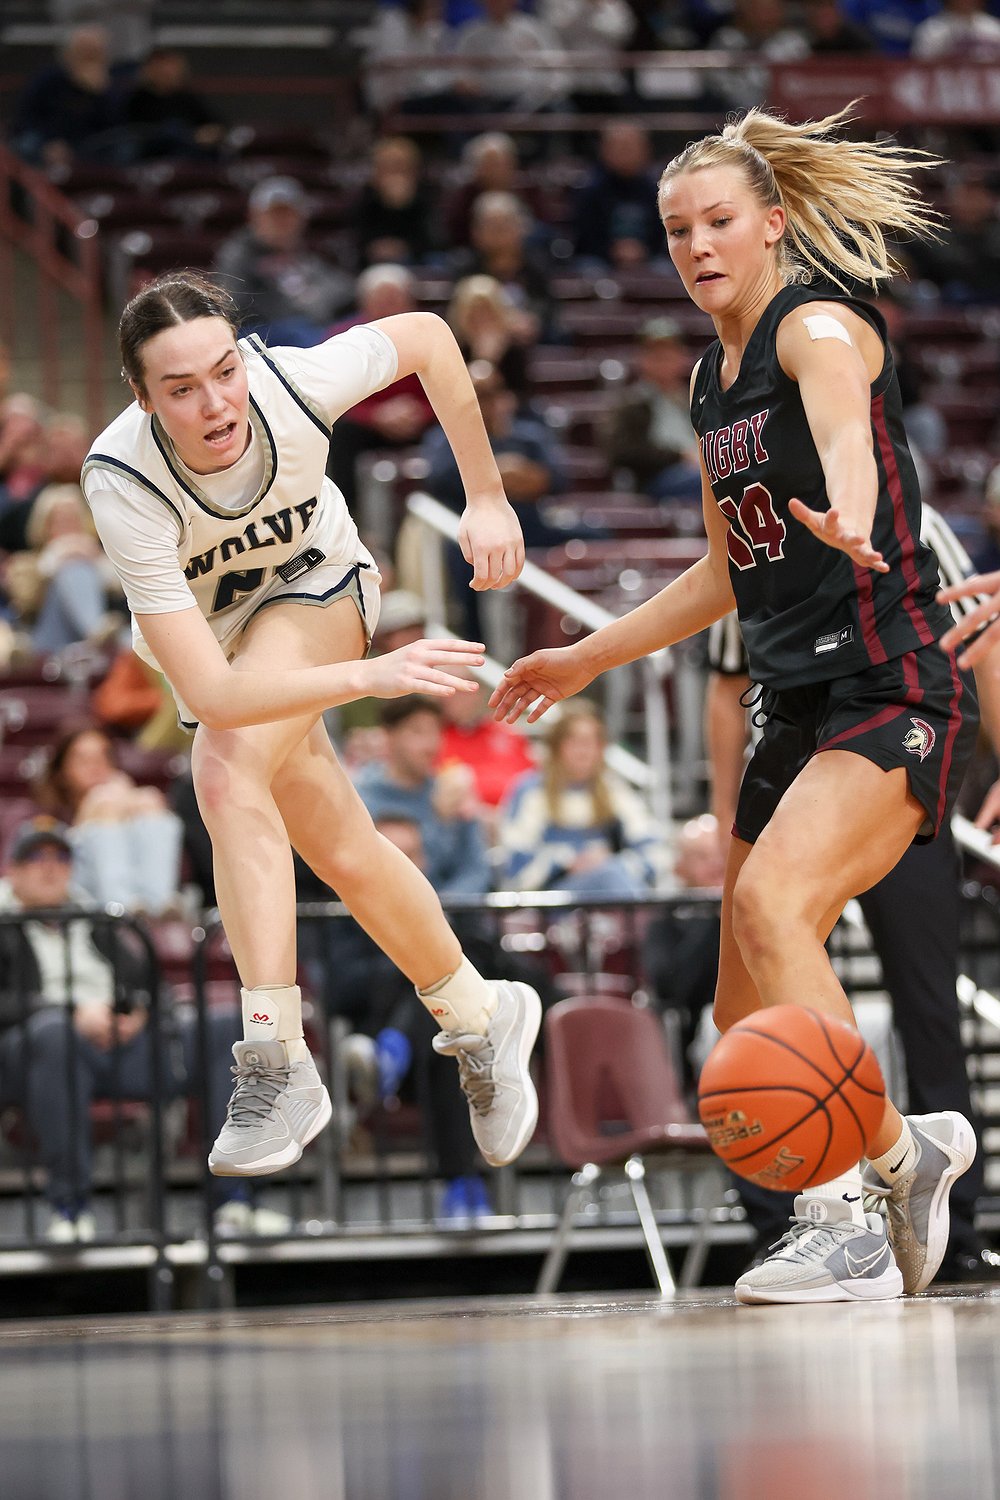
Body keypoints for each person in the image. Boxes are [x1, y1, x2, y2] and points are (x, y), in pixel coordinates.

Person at [491, 105, 980, 1304]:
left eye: (718, 221)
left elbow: (843, 432)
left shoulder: (815, 326)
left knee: (773, 903)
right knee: (739, 1001)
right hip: (789, 693)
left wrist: (856, 508)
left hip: (887, 678)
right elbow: (720, 571)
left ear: (770, 224)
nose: (698, 244)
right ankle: (897, 1157)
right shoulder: (711, 382)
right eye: (675, 229)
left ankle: (856, 1210)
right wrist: (581, 660)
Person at [80, 269, 541, 1189]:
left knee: (221, 773)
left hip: (318, 587)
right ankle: (479, 1008)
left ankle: (276, 1058)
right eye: (180, 389)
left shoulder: (292, 381)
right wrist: (371, 678)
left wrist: (483, 495)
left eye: (222, 371)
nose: (214, 403)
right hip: (225, 658)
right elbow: (211, 688)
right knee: (343, 850)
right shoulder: (122, 478)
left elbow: (429, 337)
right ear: (142, 397)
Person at [705, 501, 1000, 1280]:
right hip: (796, 740)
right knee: (743, 1015)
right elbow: (725, 674)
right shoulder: (746, 510)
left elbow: (983, 634)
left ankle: (893, 1223)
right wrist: (720, 810)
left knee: (926, 1004)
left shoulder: (906, 513)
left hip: (890, 743)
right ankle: (894, 1164)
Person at [0, 815, 270, 1242]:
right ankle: (69, 1210)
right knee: (54, 1033)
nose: (50, 867)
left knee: (226, 1031)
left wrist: (138, 1015)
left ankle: (234, 1200)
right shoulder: (4, 924)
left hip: (118, 1045)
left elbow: (154, 990)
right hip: (35, 1053)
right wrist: (68, 1011)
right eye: (35, 856)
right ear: (12, 870)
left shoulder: (98, 921)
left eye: (60, 856)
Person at [498, 699, 660, 896]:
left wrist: (611, 862)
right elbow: (516, 868)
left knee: (612, 874)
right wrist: (568, 862)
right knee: (610, 877)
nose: (583, 750)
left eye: (591, 742)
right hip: (552, 898)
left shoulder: (613, 789)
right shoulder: (531, 790)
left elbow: (653, 850)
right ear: (556, 746)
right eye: (574, 741)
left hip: (609, 889)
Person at [33, 722, 184, 915]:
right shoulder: (45, 812)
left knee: (150, 799)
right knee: (106, 807)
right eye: (83, 759)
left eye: (102, 757)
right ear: (62, 770)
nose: (95, 767)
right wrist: (92, 811)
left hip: (143, 895)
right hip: (79, 890)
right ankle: (123, 908)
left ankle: (160, 904)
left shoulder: (128, 801)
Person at [213, 177, 354, 347]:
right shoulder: (239, 253)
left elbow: (344, 290)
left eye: (288, 214)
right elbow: (231, 305)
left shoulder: (308, 253)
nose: (281, 222)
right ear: (254, 217)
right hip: (257, 335)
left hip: (310, 327)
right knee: (300, 332)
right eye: (273, 215)